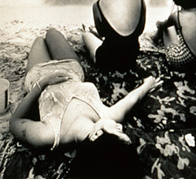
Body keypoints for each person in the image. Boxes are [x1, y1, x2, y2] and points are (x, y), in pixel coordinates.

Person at [9, 28, 158, 178]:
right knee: (51, 32)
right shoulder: (107, 116)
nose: (120, 126)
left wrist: (42, 84)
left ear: (96, 134)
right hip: (72, 69)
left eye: (119, 131)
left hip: (39, 74)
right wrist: (149, 82)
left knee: (39, 40)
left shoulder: (49, 135)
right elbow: (134, 98)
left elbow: (15, 122)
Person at [82, 0, 146, 71]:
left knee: (86, 35)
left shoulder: (98, 5)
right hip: (131, 57)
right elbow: (140, 30)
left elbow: (102, 33)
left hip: (108, 60)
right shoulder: (140, 0)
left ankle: (88, 31)